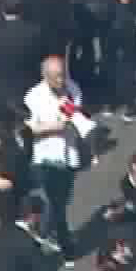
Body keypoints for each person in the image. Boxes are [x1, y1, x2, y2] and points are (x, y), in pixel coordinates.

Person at [22, 56, 87, 260]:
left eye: (64, 74)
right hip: (44, 158)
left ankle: (46, 234)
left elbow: (74, 117)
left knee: (61, 202)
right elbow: (28, 129)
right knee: (53, 204)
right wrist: (53, 128)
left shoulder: (72, 89)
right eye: (57, 76)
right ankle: (59, 244)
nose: (62, 79)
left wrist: (65, 103)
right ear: (46, 77)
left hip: (68, 157)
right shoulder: (33, 97)